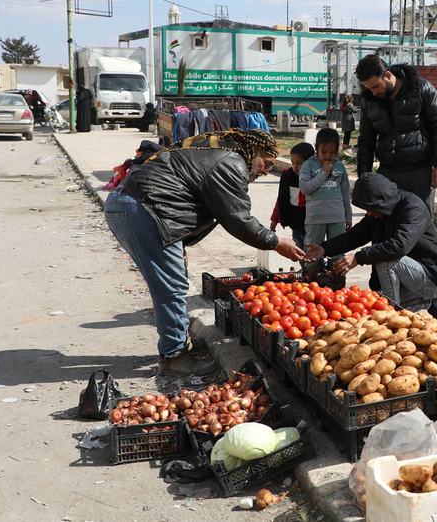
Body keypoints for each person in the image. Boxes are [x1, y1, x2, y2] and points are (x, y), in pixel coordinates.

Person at [105, 129, 305, 376]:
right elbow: (237, 218)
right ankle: (174, 355)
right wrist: (275, 242)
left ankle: (177, 344)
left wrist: (180, 242)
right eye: (267, 163)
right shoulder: (230, 162)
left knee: (172, 281)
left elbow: (183, 192)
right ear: (254, 152)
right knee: (172, 286)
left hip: (133, 206)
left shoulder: (215, 153)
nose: (265, 171)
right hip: (143, 211)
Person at [304, 173, 437, 320]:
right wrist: (324, 248)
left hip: (432, 276)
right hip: (408, 279)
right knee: (374, 306)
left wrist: (358, 257)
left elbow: (399, 246)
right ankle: (429, 305)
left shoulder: (413, 208)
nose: (368, 213)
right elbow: (356, 235)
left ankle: (391, 318)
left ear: (382, 201)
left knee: (386, 262)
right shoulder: (379, 212)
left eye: (370, 209)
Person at [354, 54, 437, 206]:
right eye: (368, 88)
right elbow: (366, 140)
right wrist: (364, 177)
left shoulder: (421, 89)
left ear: (388, 75)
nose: (373, 92)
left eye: (375, 86)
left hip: (419, 172)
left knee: (420, 222)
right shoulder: (369, 101)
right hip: (387, 172)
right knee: (387, 223)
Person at [299, 128, 353, 261]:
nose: (328, 156)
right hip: (316, 218)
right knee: (312, 253)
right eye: (324, 152)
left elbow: (345, 193)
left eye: (332, 152)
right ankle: (310, 278)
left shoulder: (340, 167)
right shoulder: (308, 165)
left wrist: (348, 216)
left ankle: (336, 277)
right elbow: (305, 188)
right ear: (316, 148)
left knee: (338, 252)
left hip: (337, 217)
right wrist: (323, 173)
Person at [271, 142, 313, 247]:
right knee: (298, 250)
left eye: (299, 163)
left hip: (313, 225)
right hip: (296, 223)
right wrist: (275, 219)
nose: (295, 167)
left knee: (312, 252)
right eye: (292, 162)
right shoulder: (288, 176)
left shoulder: (317, 178)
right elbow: (281, 199)